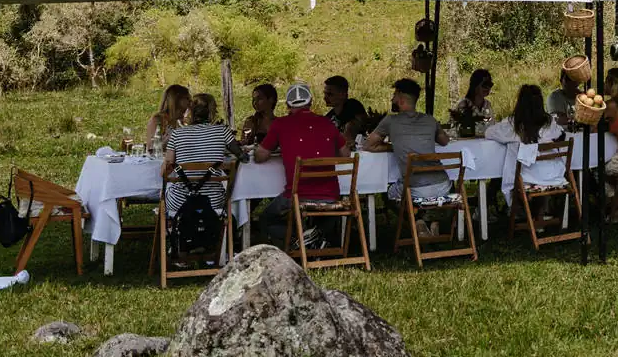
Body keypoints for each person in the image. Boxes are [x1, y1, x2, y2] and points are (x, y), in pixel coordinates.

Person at [253, 82, 347, 245]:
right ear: (310, 102)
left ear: (288, 104)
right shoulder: (327, 123)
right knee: (325, 218)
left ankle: (301, 237)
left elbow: (260, 156)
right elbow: (346, 154)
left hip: (297, 195)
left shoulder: (280, 124)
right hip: (331, 195)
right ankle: (314, 238)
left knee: (266, 219)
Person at [162, 93, 234, 242]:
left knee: (166, 190)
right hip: (214, 200)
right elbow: (240, 155)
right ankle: (216, 247)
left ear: (190, 111)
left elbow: (165, 170)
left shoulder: (176, 134)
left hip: (180, 201)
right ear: (212, 111)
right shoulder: (223, 131)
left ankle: (176, 242)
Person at [363, 78, 450, 200]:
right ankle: (424, 218)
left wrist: (394, 146)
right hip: (443, 184)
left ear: (400, 98)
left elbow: (368, 145)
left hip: (416, 188)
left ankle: (412, 218)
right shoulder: (430, 120)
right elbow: (445, 141)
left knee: (387, 194)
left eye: (394, 95)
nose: (391, 99)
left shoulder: (390, 121)